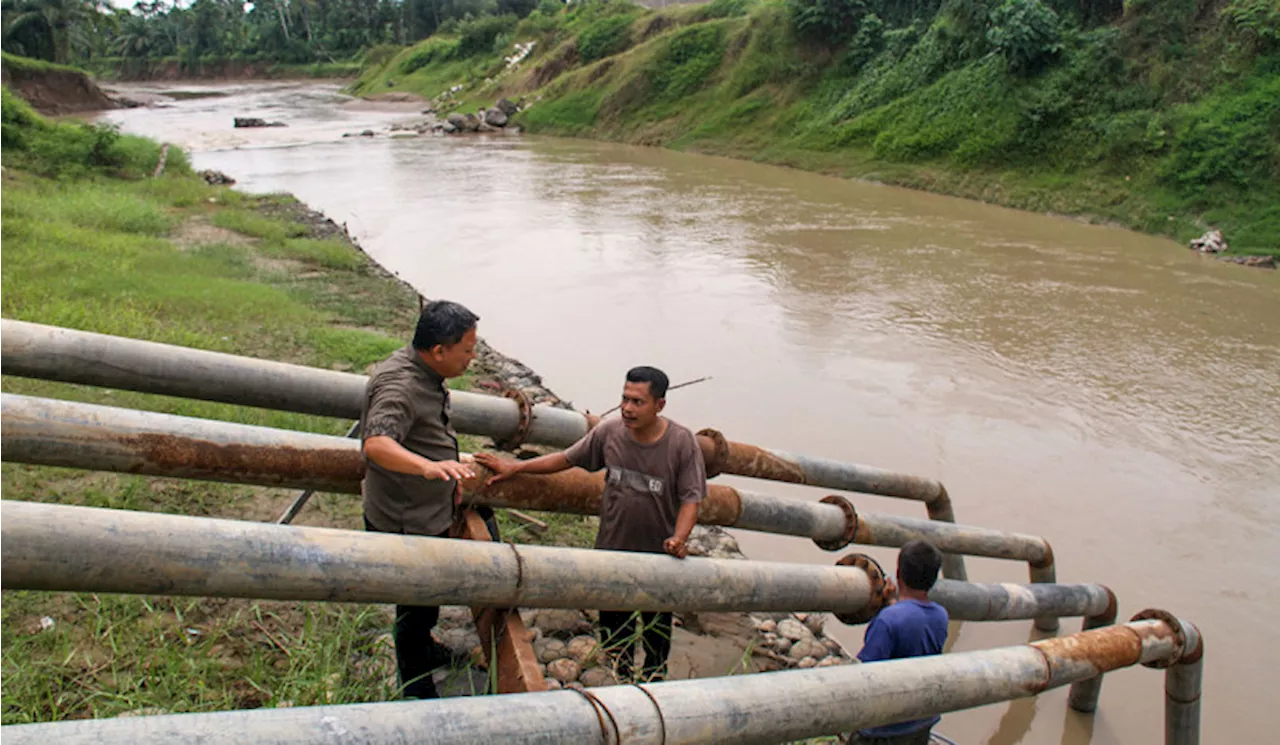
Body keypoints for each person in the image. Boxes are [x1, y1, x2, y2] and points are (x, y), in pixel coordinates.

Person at [475, 366, 706, 681]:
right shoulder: (609, 433)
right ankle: (620, 678)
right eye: (624, 399)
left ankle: (654, 684)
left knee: (655, 632)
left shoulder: (682, 443)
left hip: (659, 560)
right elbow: (566, 459)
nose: (627, 408)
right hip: (611, 553)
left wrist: (679, 539)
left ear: (659, 405)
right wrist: (515, 468)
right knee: (614, 629)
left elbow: (692, 498)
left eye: (638, 402)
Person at [360, 299, 479, 700]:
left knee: (425, 597)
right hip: (406, 516)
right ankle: (416, 687)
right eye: (467, 350)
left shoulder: (423, 368)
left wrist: (444, 466)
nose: (473, 358)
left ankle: (426, 647)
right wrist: (429, 468)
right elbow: (377, 443)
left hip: (427, 507)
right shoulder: (401, 386)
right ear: (439, 351)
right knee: (412, 605)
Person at [846, 540, 950, 745]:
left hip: (884, 728)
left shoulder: (888, 621)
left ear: (898, 574)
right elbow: (913, 624)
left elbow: (866, 673)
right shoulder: (941, 615)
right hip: (922, 719)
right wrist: (893, 603)